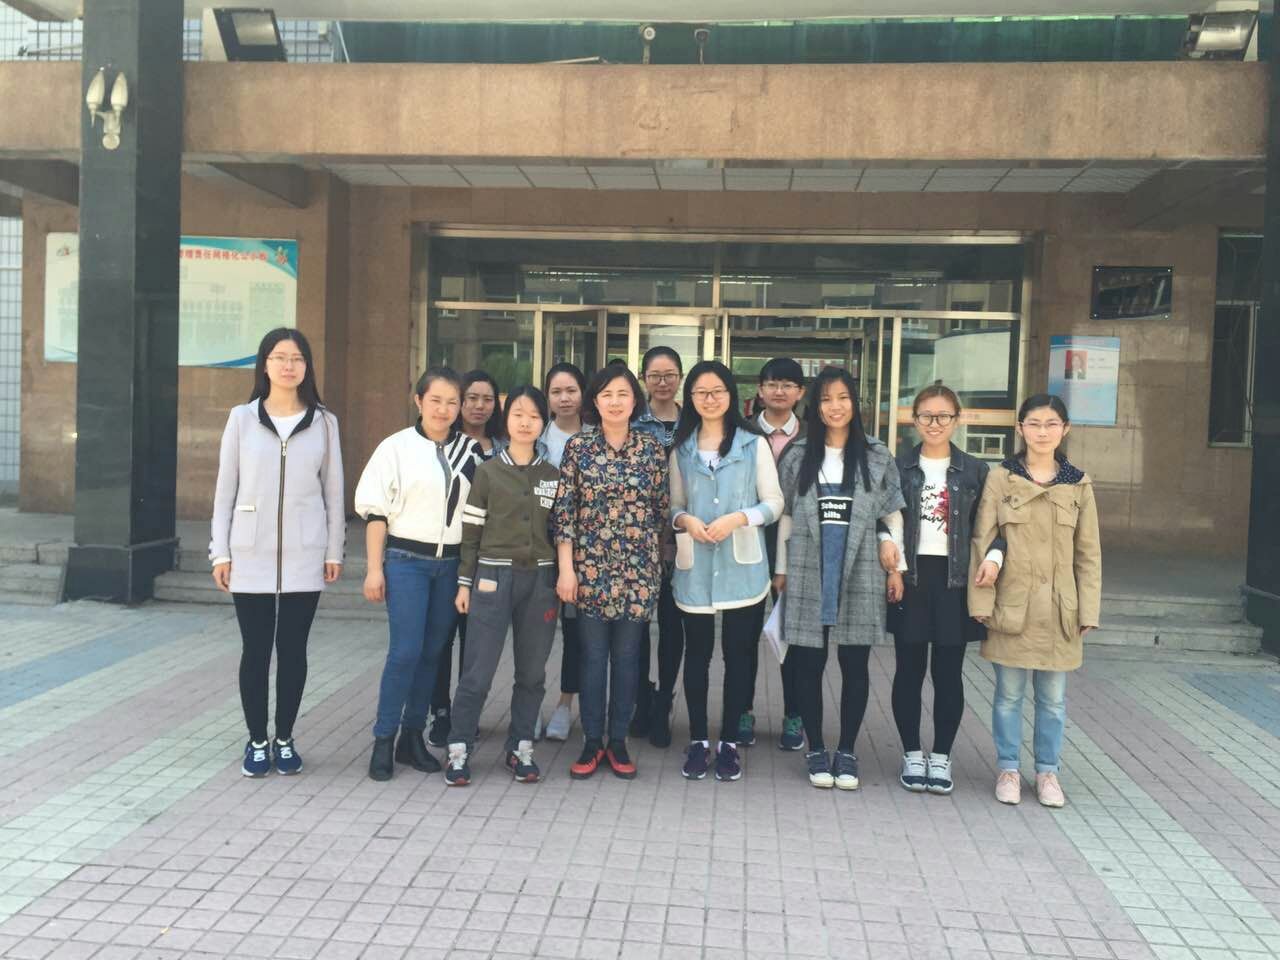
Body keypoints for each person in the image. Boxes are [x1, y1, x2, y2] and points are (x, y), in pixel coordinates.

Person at [210, 328, 345, 779]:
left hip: (305, 554)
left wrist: (333, 550)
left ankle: (284, 738)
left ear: (307, 366)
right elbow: (224, 491)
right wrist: (220, 552)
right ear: (264, 365)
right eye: (279, 357)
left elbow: (334, 491)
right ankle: (256, 740)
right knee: (255, 651)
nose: (289, 366)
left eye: (297, 358)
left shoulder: (324, 422)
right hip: (249, 552)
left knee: (293, 650)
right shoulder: (241, 419)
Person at [774, 366, 905, 790]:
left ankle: (847, 749)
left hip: (862, 565)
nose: (835, 407)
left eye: (843, 398)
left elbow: (891, 514)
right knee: (808, 663)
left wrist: (896, 564)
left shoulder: (876, 455)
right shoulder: (797, 456)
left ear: (855, 403)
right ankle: (815, 748)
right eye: (827, 399)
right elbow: (785, 516)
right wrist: (780, 570)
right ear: (815, 405)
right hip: (807, 566)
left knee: (855, 663)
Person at [969, 393, 1101, 808]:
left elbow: (1089, 553)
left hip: (1060, 610)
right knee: (1008, 695)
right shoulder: (1001, 478)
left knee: (1054, 701)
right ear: (1020, 428)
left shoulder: (1078, 483)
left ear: (1065, 429)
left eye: (1051, 424)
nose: (1043, 432)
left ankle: (1048, 772)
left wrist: (1088, 608)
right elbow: (983, 540)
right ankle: (1008, 768)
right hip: (1014, 605)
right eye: (1034, 424)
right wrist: (981, 603)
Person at [355, 366, 482, 781]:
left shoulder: (472, 452)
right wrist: (374, 569)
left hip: (451, 565)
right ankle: (383, 738)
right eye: (435, 400)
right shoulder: (395, 448)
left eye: (452, 402)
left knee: (432, 653)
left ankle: (412, 737)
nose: (444, 409)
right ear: (418, 401)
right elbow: (375, 512)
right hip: (406, 561)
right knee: (405, 651)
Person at [553, 364, 668, 780]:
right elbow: (564, 513)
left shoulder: (652, 449)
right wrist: (567, 570)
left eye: (623, 394)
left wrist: (654, 563)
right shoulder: (578, 448)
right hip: (590, 571)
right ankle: (591, 741)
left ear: (635, 400)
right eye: (607, 395)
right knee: (592, 658)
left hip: (638, 573)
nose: (615, 402)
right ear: (595, 402)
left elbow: (660, 510)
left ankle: (617, 741)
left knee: (627, 659)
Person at [670, 361, 783, 782]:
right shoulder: (681, 448)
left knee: (739, 657)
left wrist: (739, 518)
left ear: (731, 395)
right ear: (690, 398)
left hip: (742, 568)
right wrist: (685, 521)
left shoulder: (753, 444)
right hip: (695, 568)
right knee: (697, 656)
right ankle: (699, 740)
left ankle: (730, 743)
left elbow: (775, 503)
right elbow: (673, 505)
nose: (710, 399)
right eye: (701, 392)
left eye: (717, 391)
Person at [445, 387, 562, 786]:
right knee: (477, 671)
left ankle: (520, 747)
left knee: (532, 673)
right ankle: (459, 747)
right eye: (517, 414)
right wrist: (465, 583)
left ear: (543, 422)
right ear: (506, 420)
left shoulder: (553, 476)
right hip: (492, 579)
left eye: (534, 416)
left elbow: (561, 531)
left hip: (541, 581)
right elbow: (471, 531)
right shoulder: (488, 471)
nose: (525, 422)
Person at [881, 383, 992, 796]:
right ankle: (912, 752)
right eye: (926, 416)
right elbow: (883, 518)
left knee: (948, 673)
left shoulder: (976, 470)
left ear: (957, 420)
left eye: (944, 416)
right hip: (910, 577)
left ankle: (941, 756)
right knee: (908, 670)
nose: (935, 423)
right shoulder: (898, 467)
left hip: (955, 580)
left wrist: (995, 559)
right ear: (914, 420)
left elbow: (989, 527)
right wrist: (891, 561)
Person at [428, 369, 505, 748]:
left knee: (475, 643)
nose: (479, 406)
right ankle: (440, 711)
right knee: (442, 637)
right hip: (450, 555)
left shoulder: (506, 448)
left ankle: (466, 712)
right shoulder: (444, 443)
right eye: (471, 398)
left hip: (492, 559)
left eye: (487, 399)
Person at [630, 346, 686, 748]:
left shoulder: (694, 423)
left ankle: (665, 698)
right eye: (655, 376)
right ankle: (641, 698)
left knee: (672, 625)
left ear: (680, 378)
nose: (663, 382)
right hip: (638, 541)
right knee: (636, 627)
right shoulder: (633, 423)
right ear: (644, 379)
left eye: (670, 375)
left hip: (684, 541)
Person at [753, 357, 807, 751]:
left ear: (800, 392)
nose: (779, 391)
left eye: (787, 384)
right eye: (772, 383)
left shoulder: (813, 436)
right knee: (742, 636)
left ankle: (795, 714)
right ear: (760, 390)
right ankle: (742, 710)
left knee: (792, 635)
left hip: (797, 546)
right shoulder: (741, 432)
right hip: (749, 543)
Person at [541, 362, 589, 743]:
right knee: (535, 633)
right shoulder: (534, 438)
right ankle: (528, 706)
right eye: (557, 392)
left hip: (582, 552)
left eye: (571, 390)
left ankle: (564, 704)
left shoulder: (595, 439)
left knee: (576, 632)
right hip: (537, 547)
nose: (564, 398)